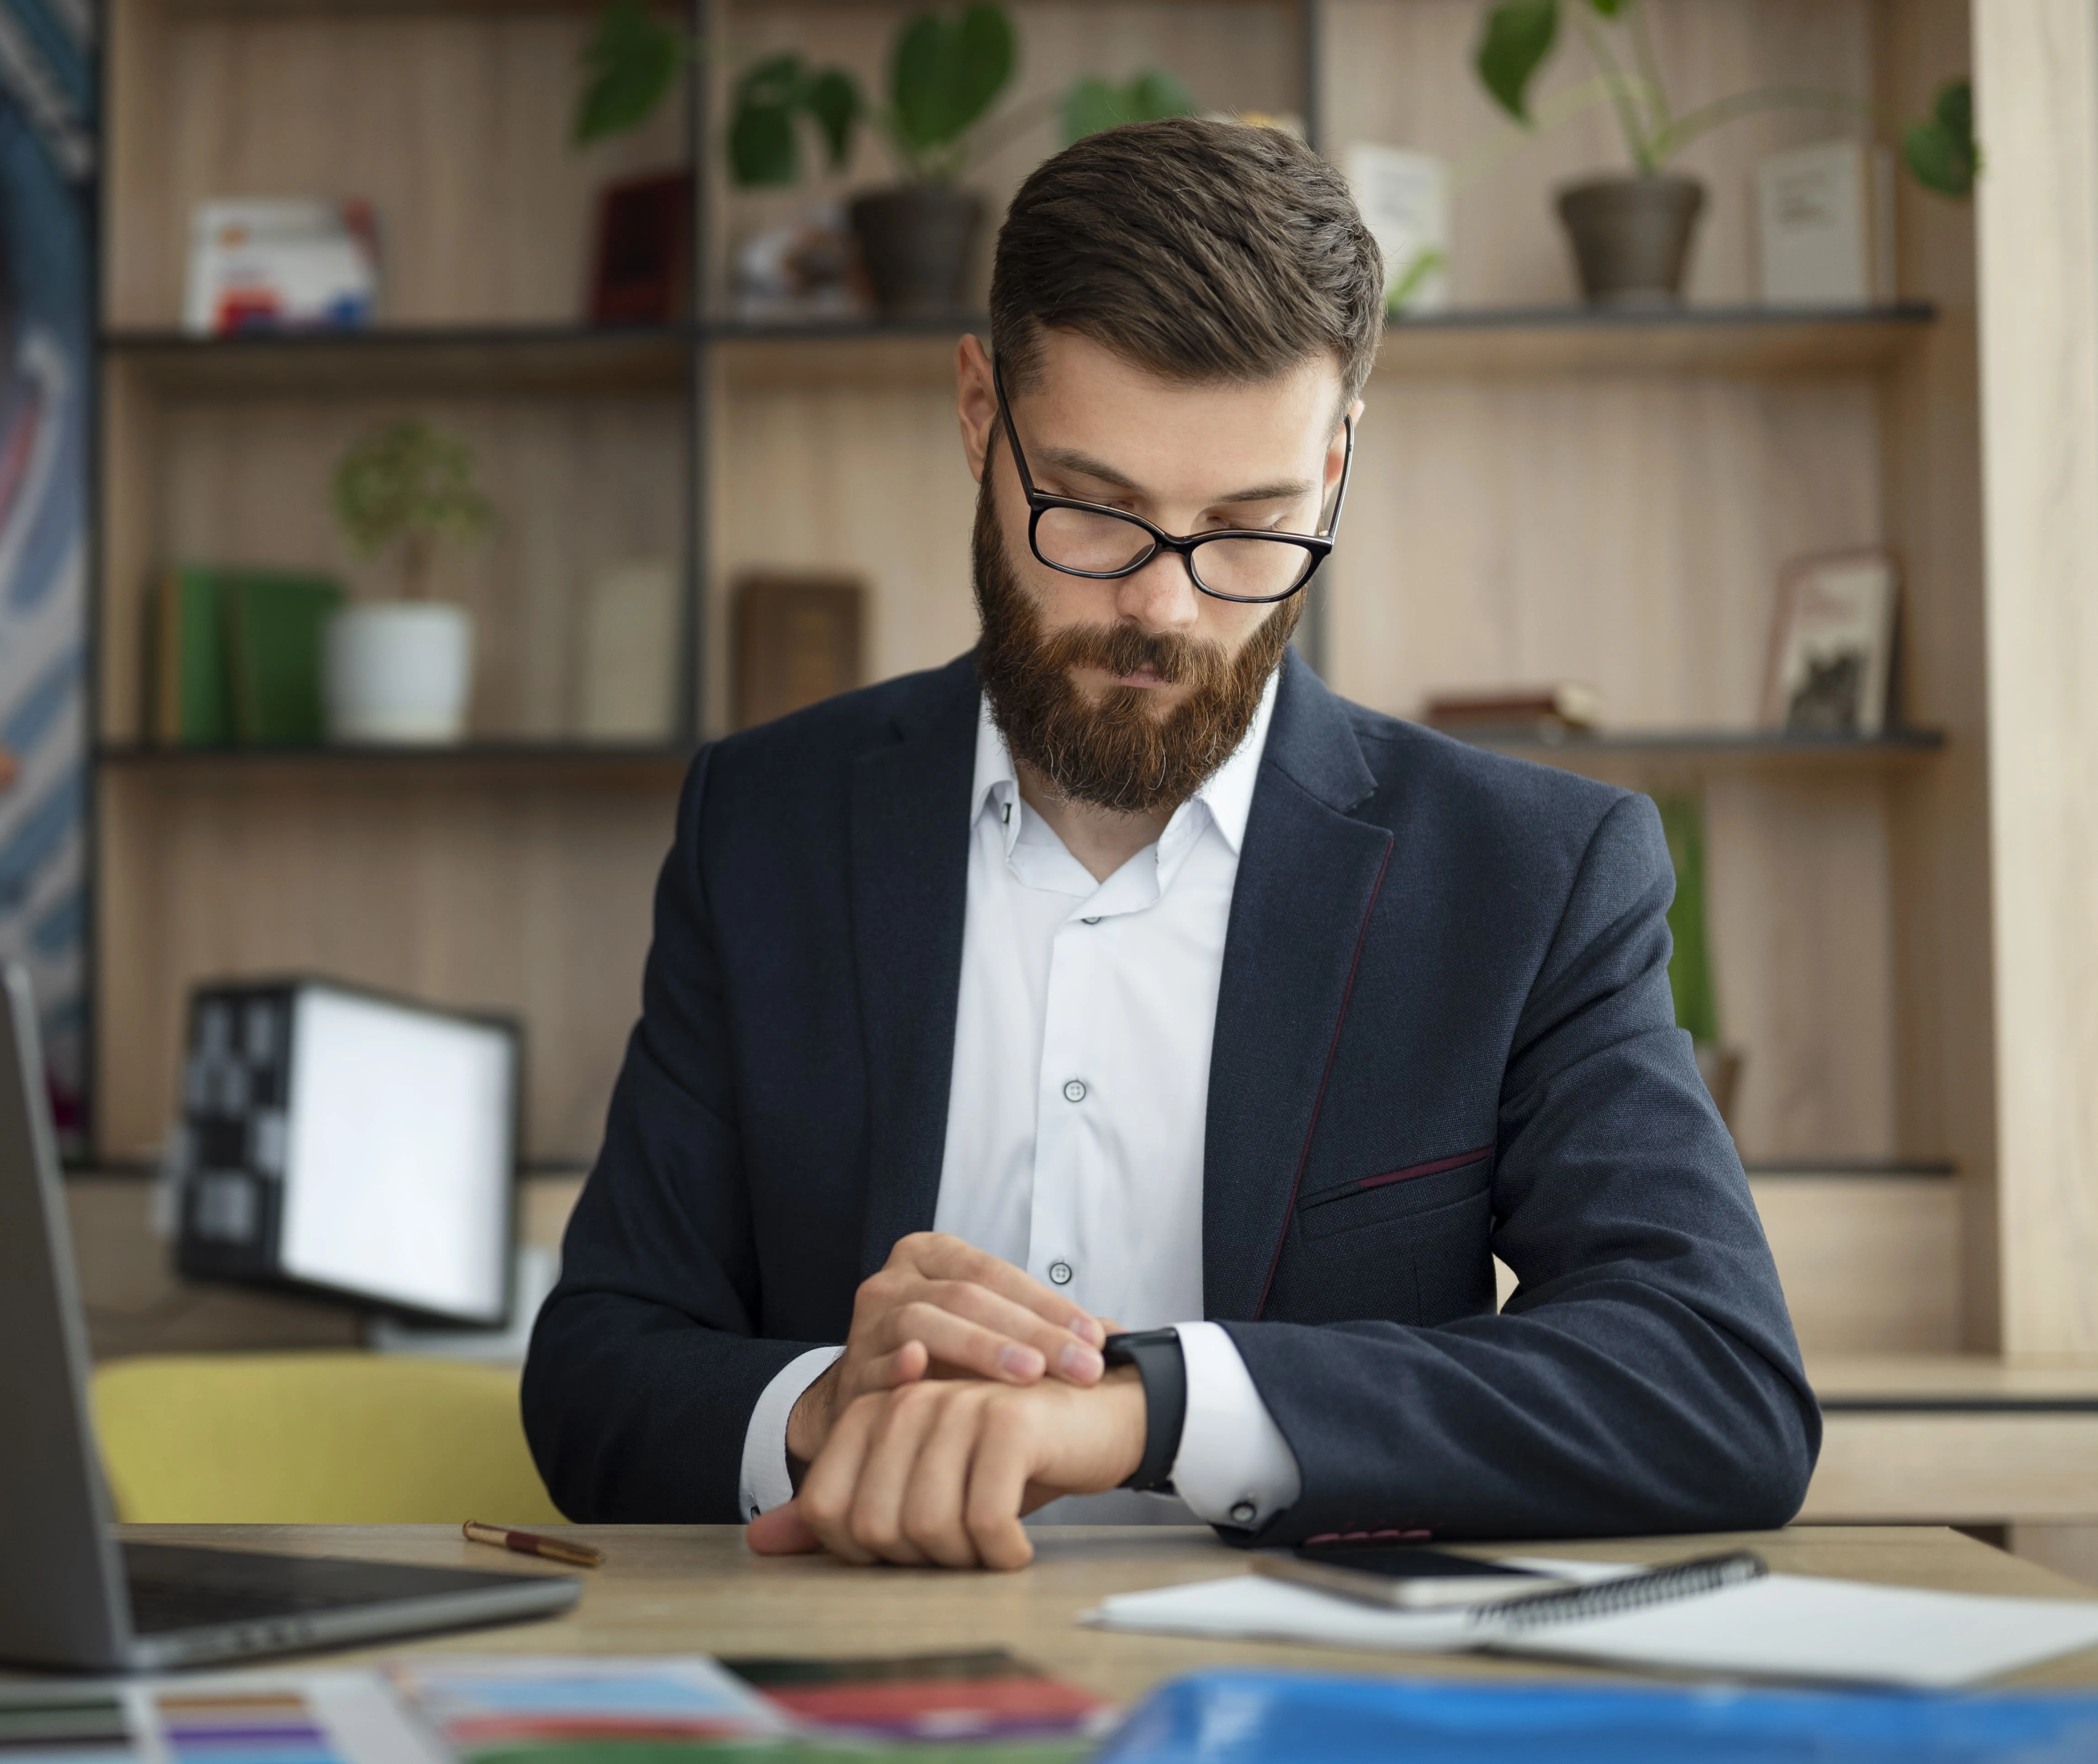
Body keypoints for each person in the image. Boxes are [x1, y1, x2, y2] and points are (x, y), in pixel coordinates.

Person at [520, 118, 1818, 1570]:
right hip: (853, 1677)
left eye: (1248, 526)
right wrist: (824, 1407)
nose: (1168, 609)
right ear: (975, 413)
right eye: (1096, 511)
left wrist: (1150, 1410)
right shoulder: (761, 825)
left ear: (1333, 470)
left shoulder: (1530, 877)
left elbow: (1713, 1389)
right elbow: (594, 1375)